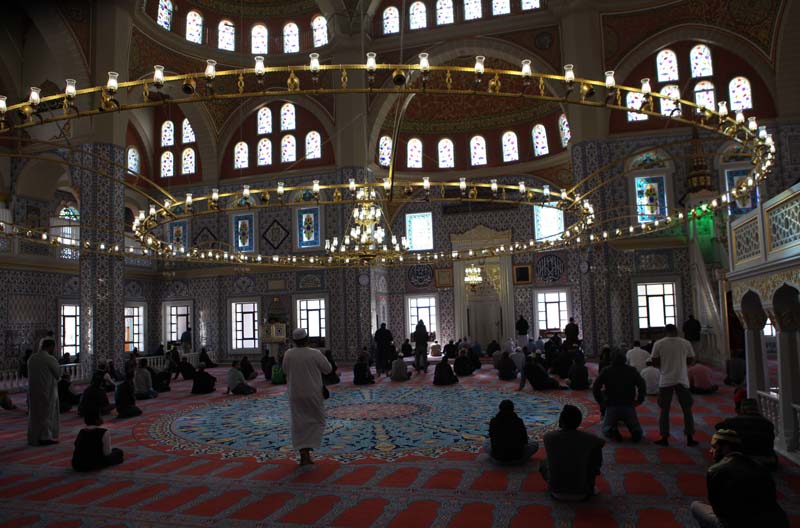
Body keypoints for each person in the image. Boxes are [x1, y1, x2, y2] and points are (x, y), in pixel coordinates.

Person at [690, 430, 789, 528]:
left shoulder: (716, 470)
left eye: (714, 447)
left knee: (695, 506)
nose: (710, 451)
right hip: (775, 522)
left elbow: (719, 512)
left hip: (739, 524)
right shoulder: (760, 466)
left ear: (725, 448)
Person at [282, 328, 333, 466]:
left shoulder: (288, 354)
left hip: (295, 393)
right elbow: (328, 369)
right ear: (307, 339)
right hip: (313, 393)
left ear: (294, 341)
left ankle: (304, 453)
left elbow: (284, 370)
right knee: (318, 420)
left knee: (299, 423)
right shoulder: (315, 353)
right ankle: (308, 449)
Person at [540, 405, 605, 501]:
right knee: (595, 450)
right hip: (582, 492)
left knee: (544, 461)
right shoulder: (588, 438)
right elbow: (602, 443)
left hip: (556, 491)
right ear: (579, 421)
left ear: (561, 421)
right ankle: (591, 485)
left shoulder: (548, 437)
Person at [651, 324, 697, 446]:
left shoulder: (659, 344)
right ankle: (690, 438)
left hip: (665, 380)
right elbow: (691, 360)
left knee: (664, 410)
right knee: (687, 409)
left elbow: (654, 362)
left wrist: (664, 366)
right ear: (677, 331)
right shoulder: (685, 343)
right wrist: (681, 365)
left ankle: (664, 437)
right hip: (682, 379)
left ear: (665, 332)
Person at [592, 353, 646, 442]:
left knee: (606, 427)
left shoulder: (607, 370)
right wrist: (639, 400)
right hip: (628, 405)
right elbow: (642, 385)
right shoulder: (632, 370)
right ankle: (635, 432)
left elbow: (596, 387)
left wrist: (601, 402)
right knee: (635, 426)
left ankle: (611, 431)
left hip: (612, 405)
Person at [715, 398, 778, 470]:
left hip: (738, 460)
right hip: (765, 461)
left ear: (742, 409)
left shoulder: (731, 422)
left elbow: (717, 427)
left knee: (722, 437)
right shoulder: (768, 424)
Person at [27, 339, 61, 446]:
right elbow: (58, 374)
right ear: (50, 347)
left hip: (33, 391)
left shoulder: (32, 358)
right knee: (47, 414)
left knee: (35, 414)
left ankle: (34, 437)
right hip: (47, 390)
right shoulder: (49, 359)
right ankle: (45, 437)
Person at [485, 400, 538, 465]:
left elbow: (491, 436)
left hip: (498, 458)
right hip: (518, 458)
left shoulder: (494, 421)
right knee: (534, 444)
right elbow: (524, 440)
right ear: (513, 409)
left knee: (486, 442)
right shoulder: (518, 421)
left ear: (500, 409)